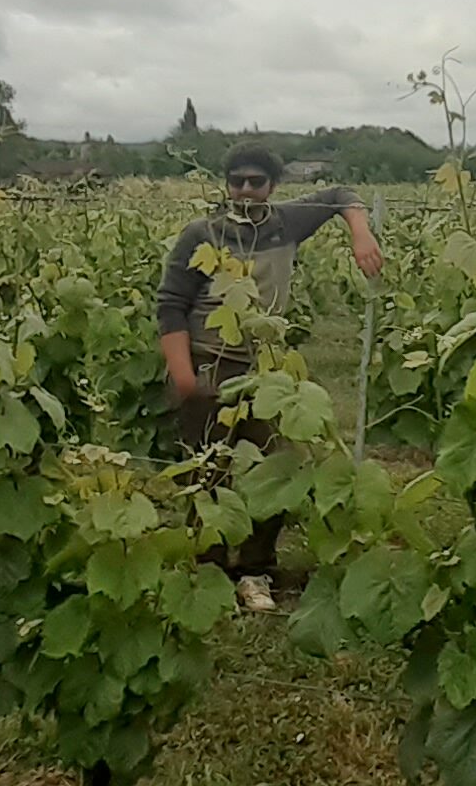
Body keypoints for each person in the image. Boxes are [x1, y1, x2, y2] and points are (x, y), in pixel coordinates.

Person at [155, 142, 383, 610]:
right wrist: (182, 375)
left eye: (255, 182)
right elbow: (171, 305)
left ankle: (255, 571)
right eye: (236, 180)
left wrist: (361, 234)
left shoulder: (285, 224)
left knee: (272, 471)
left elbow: (342, 195)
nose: (244, 189)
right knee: (208, 474)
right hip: (209, 363)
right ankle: (210, 572)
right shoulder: (202, 233)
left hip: (265, 371)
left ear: (272, 187)